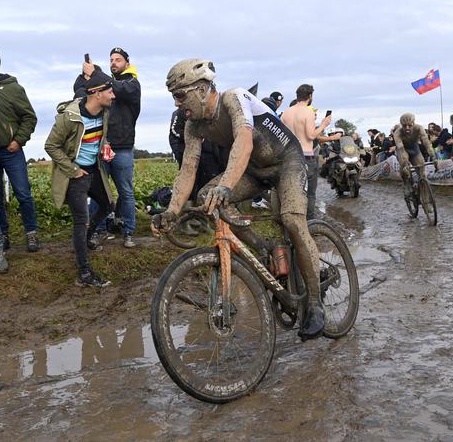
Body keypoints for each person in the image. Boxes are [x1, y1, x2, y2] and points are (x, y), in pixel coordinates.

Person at [153, 59, 325, 339]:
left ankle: (316, 305)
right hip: (255, 169)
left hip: (286, 162)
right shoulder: (192, 125)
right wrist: (172, 211)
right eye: (174, 96)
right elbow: (188, 169)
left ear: (201, 89)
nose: (177, 103)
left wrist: (227, 186)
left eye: (180, 95)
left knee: (292, 222)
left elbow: (244, 142)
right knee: (206, 193)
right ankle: (262, 247)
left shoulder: (233, 98)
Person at [44, 71, 116, 287]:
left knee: (108, 205)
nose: (113, 96)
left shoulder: (104, 111)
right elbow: (50, 146)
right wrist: (72, 169)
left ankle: (85, 239)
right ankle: (84, 273)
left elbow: (98, 135)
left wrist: (104, 145)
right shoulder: (70, 117)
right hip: (75, 175)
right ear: (95, 93)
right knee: (80, 221)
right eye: (110, 91)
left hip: (94, 170)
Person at [75, 48, 141, 248]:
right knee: (98, 192)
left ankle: (129, 232)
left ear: (127, 63)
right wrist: (85, 76)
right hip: (100, 145)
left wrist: (95, 74)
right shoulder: (104, 83)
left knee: (125, 192)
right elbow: (79, 93)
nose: (113, 62)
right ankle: (98, 230)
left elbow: (118, 89)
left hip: (122, 147)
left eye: (118, 59)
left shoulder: (132, 84)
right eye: (111, 59)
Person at [0, 50, 40, 252]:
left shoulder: (13, 89)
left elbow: (30, 117)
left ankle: (31, 233)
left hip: (11, 151)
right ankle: (2, 235)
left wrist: (19, 141)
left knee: (23, 193)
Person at [281, 84, 336, 219]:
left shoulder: (286, 113)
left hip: (288, 156)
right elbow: (311, 136)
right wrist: (324, 124)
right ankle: (309, 223)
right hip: (306, 157)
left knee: (290, 191)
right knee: (310, 194)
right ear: (310, 96)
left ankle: (288, 222)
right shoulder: (308, 112)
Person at [394, 113, 438, 196]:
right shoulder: (397, 133)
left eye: (410, 125)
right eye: (404, 126)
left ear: (413, 123)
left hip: (414, 149)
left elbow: (427, 143)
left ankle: (422, 189)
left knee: (422, 171)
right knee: (404, 163)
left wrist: (433, 157)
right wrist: (405, 164)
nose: (407, 128)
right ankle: (406, 184)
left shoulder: (419, 128)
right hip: (403, 149)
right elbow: (401, 149)